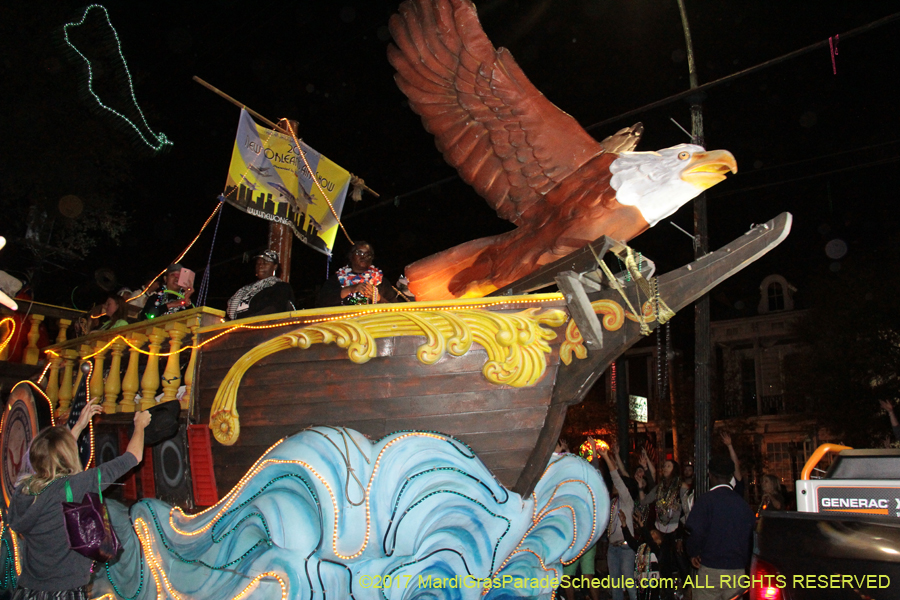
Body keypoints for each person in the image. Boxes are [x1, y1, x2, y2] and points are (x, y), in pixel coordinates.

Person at [8, 405, 152, 599]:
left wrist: (78, 426)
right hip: (64, 592)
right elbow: (132, 457)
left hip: (27, 590)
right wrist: (140, 425)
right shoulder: (76, 485)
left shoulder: (23, 492)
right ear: (67, 455)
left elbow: (53, 456)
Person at [685, 454, 755, 600]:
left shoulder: (705, 501)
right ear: (731, 477)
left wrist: (693, 552)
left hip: (711, 568)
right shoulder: (742, 504)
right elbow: (750, 537)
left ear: (710, 475)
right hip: (736, 571)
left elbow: (695, 532)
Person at [595, 439, 637, 600]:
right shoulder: (613, 502)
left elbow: (617, 477)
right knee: (615, 585)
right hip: (613, 547)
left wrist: (607, 457)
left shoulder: (627, 501)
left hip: (626, 548)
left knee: (629, 582)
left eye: (618, 484)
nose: (614, 485)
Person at [316, 241, 398, 307]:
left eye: (368, 254)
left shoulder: (380, 281)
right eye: (359, 253)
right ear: (351, 256)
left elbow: (395, 309)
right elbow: (322, 301)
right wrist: (351, 289)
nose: (363, 257)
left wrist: (378, 298)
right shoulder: (337, 279)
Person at [225, 249, 296, 320]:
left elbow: (275, 309)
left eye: (265, 263)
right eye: (258, 263)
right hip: (235, 328)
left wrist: (247, 321)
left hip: (261, 328)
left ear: (275, 267)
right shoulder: (247, 288)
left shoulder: (281, 287)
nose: (260, 266)